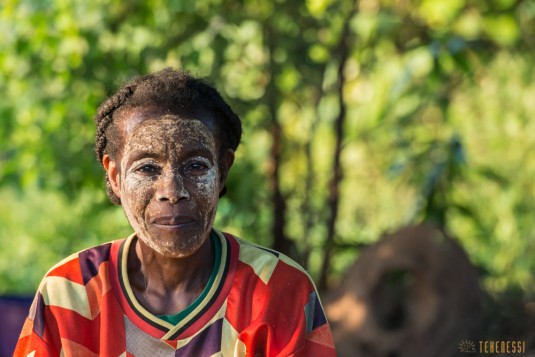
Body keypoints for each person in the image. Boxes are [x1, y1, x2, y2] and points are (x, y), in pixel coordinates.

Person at [14, 68, 336, 356]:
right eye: (148, 168)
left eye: (196, 166)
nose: (172, 191)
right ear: (115, 176)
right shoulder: (70, 294)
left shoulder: (277, 289)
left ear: (222, 171)